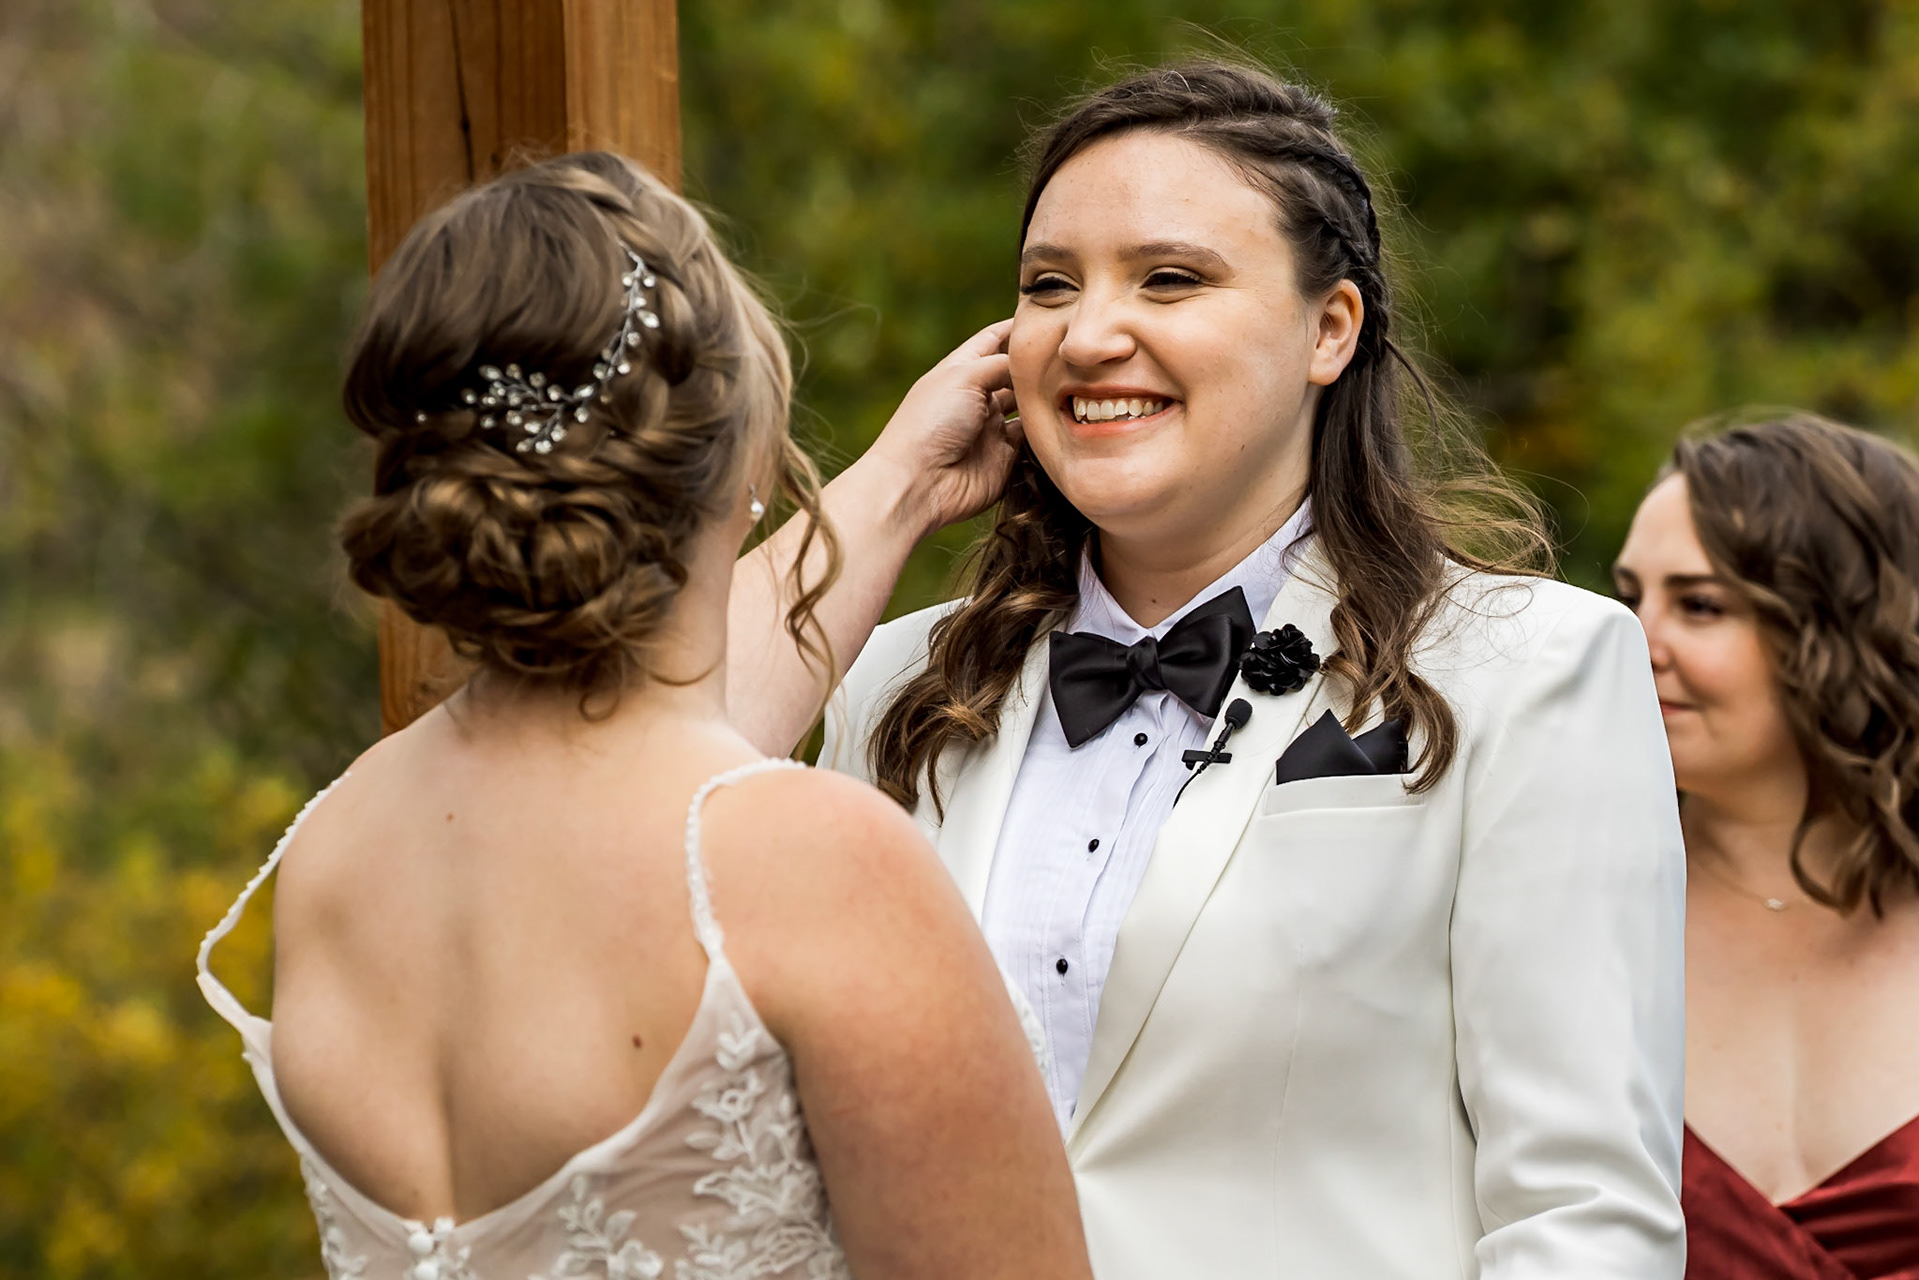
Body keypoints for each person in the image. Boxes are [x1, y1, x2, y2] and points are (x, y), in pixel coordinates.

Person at [818, 61, 1688, 1277]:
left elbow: (1585, 1216)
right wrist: (892, 488)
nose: (1089, 333)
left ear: (1330, 327)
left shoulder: (1534, 670)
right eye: (1048, 286)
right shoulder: (895, 685)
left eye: (1168, 279)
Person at [195, 151, 1093, 1280]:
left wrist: (905, 480)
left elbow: (668, 739)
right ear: (745, 456)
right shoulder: (809, 860)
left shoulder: (337, 845)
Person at [1612, 413, 1919, 1280]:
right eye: (1631, 595)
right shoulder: (1569, 914)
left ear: (1847, 630)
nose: (1635, 639)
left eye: (1699, 605)